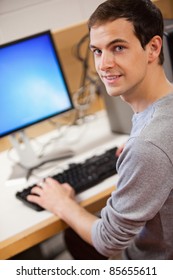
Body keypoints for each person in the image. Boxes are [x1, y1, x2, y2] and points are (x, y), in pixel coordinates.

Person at [27, 0, 173, 260]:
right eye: (97, 51)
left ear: (152, 48)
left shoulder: (149, 145)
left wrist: (62, 203)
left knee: (68, 238)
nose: (103, 64)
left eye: (118, 48)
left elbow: (108, 242)